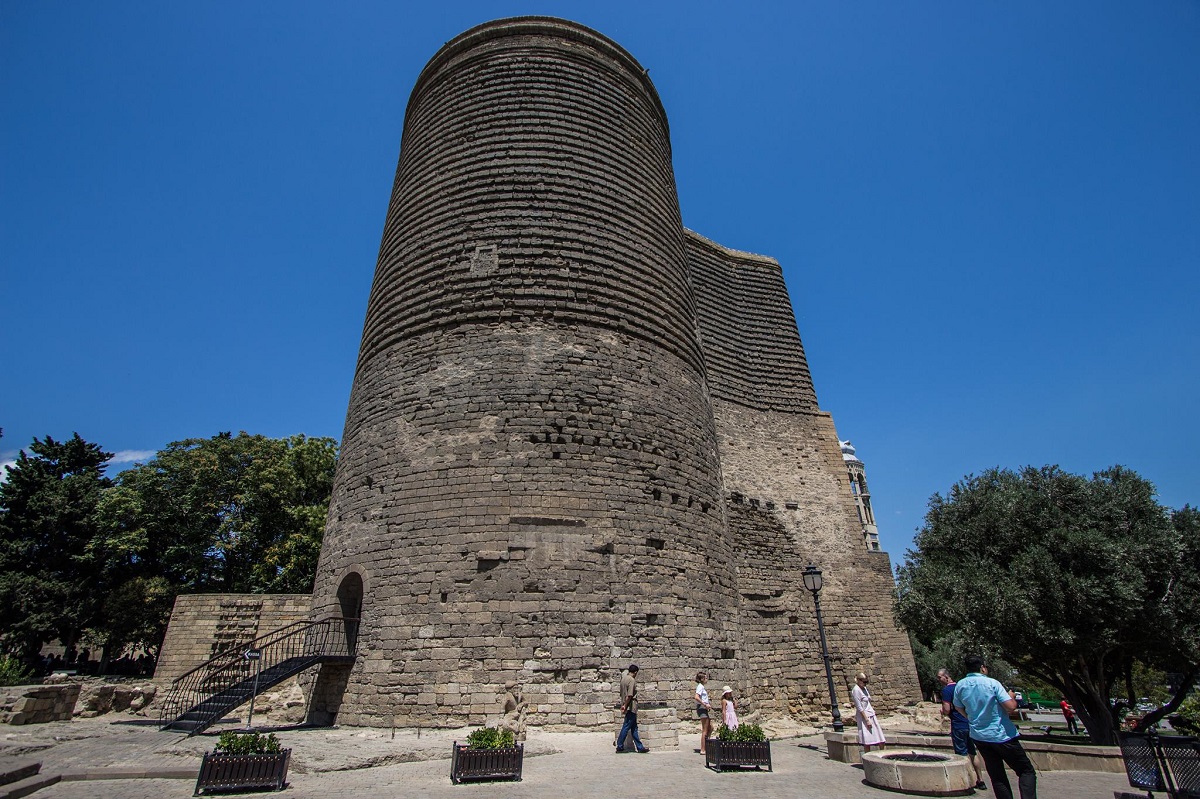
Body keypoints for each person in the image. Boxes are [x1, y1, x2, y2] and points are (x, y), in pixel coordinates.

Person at [953, 655, 1037, 799]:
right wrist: (1011, 697)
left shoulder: (960, 685)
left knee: (997, 776)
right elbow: (1010, 707)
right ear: (982, 668)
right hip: (1002, 735)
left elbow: (958, 707)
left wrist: (971, 718)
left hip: (980, 737)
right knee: (1026, 771)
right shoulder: (992, 683)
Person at [938, 668, 987, 790]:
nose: (939, 680)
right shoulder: (962, 687)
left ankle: (967, 782)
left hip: (958, 725)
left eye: (940, 677)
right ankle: (980, 780)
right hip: (970, 724)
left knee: (961, 754)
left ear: (947, 677)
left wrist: (943, 712)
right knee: (973, 753)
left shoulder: (947, 690)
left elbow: (947, 709)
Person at [617, 664, 649, 753]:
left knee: (634, 728)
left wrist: (623, 704)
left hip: (626, 704)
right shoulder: (631, 680)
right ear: (635, 672)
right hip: (631, 706)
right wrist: (625, 706)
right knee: (626, 726)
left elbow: (622, 694)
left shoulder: (623, 679)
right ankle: (619, 745)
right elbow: (630, 695)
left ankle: (640, 747)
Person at [852, 672, 886, 752]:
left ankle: (882, 755)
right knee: (867, 741)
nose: (865, 684)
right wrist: (867, 720)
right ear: (858, 680)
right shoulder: (856, 690)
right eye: (864, 682)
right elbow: (859, 707)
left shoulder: (864, 688)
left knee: (881, 739)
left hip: (871, 714)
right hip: (865, 717)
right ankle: (868, 758)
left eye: (866, 682)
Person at [694, 671, 712, 753]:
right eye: (705, 677)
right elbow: (696, 697)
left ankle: (706, 745)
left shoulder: (702, 687)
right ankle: (703, 749)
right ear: (702, 679)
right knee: (705, 729)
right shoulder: (700, 687)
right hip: (702, 708)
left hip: (703, 708)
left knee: (710, 728)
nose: (707, 679)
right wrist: (705, 704)